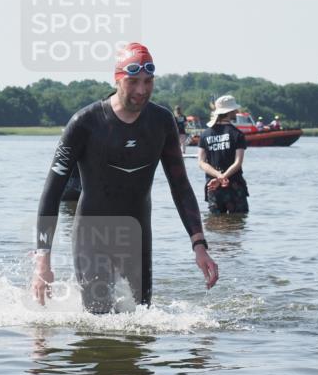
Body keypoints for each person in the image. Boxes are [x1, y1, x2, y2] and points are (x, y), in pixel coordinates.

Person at [33, 42, 219, 312]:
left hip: (137, 234)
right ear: (117, 79)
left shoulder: (161, 122)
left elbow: (180, 186)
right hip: (92, 234)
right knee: (98, 318)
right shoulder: (85, 123)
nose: (141, 90)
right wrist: (43, 260)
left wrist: (199, 245)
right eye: (133, 82)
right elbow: (52, 191)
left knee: (141, 319)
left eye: (148, 81)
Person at [199, 95, 249, 214]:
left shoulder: (205, 134)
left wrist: (218, 177)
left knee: (214, 222)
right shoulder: (237, 134)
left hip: (213, 186)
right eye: (235, 109)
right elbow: (238, 162)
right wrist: (223, 177)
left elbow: (201, 163)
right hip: (234, 186)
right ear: (230, 111)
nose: (237, 111)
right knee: (238, 221)